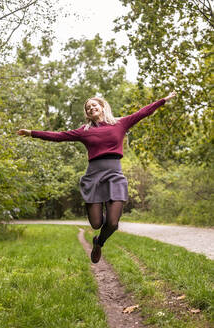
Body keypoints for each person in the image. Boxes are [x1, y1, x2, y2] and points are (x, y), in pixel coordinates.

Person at [17, 91, 176, 263]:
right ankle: (98, 230)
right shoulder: (84, 131)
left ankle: (99, 242)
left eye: (94, 105)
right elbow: (59, 136)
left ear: (102, 107)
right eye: (88, 107)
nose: (91, 108)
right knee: (96, 223)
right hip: (94, 176)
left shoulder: (120, 123)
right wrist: (32, 133)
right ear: (87, 114)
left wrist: (163, 100)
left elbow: (142, 113)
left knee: (113, 223)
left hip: (115, 174)